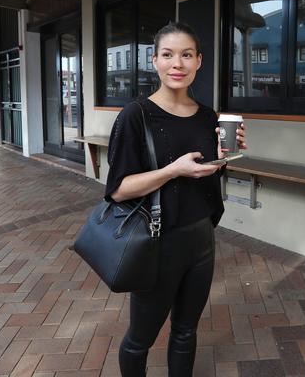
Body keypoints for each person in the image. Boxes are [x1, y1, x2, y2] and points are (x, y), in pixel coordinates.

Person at [105, 22, 247, 376]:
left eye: (186, 55)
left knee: (186, 332)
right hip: (157, 242)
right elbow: (119, 189)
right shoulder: (135, 116)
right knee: (141, 339)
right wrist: (173, 170)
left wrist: (225, 157)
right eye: (167, 55)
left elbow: (208, 173)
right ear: (154, 61)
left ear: (198, 61)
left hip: (200, 238)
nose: (177, 64)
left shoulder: (207, 116)